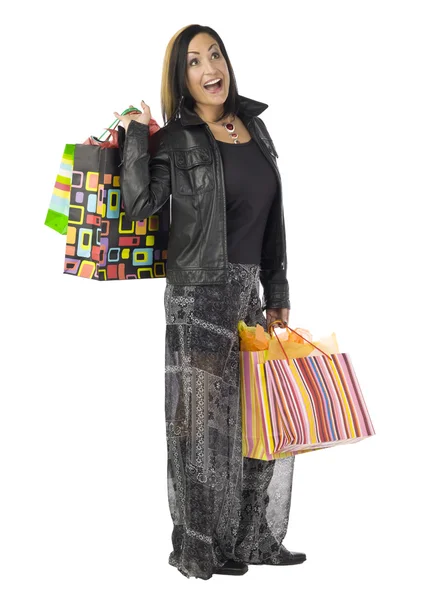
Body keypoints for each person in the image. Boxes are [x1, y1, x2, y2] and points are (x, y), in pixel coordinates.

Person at [114, 23, 306, 580]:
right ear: (183, 78)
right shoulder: (177, 139)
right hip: (197, 294)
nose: (208, 68)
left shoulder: (256, 129)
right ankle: (200, 547)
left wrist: (279, 289)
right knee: (200, 429)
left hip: (249, 291)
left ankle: (252, 536)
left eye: (214, 55)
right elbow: (140, 207)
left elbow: (274, 217)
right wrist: (133, 138)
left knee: (263, 418)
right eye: (194, 61)